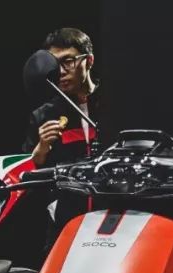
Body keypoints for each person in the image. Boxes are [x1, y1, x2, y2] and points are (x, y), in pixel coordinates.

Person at [23, 27, 101, 251]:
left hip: (112, 220)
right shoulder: (44, 115)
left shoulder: (114, 104)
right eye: (54, 64)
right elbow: (25, 177)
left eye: (68, 61)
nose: (61, 71)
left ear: (89, 60)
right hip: (65, 227)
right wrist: (40, 150)